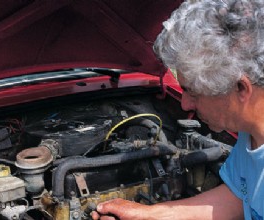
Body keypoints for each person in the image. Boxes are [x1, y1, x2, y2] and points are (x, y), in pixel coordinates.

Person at [91, 0, 264, 219]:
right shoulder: (251, 132)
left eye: (193, 92)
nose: (185, 105)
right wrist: (146, 214)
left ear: (241, 88)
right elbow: (238, 197)